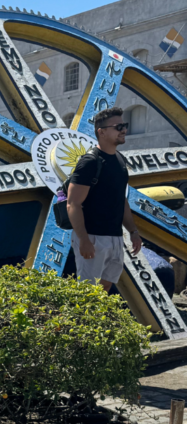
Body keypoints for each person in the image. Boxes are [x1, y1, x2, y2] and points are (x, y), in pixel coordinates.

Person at [66, 107, 143, 291]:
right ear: (102, 132)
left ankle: (98, 320)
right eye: (118, 127)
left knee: (106, 287)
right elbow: (73, 203)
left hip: (115, 237)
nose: (124, 130)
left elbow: (121, 199)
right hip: (92, 237)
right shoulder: (90, 162)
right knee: (87, 291)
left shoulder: (120, 161)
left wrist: (133, 231)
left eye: (124, 125)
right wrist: (83, 239)